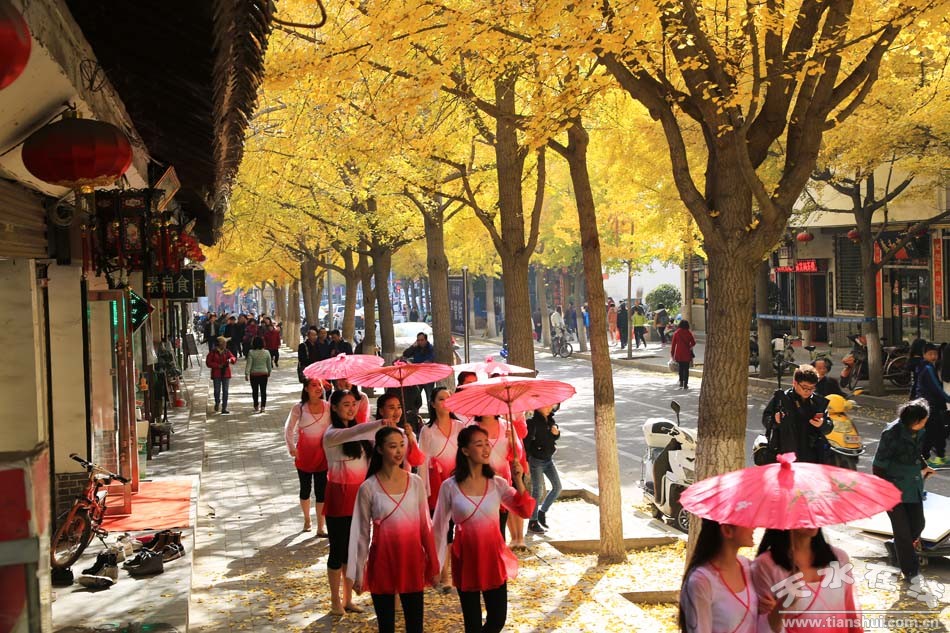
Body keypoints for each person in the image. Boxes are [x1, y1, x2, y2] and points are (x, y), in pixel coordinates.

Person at [431, 426, 535, 633]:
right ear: (465, 450)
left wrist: (519, 480)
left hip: (493, 557)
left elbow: (525, 510)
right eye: (479, 444)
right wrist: (436, 564)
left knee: (497, 619)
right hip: (466, 557)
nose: (486, 448)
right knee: (472, 623)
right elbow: (439, 527)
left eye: (487, 443)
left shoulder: (497, 483)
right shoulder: (450, 486)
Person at [347, 426, 438, 633]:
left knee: (415, 625)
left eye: (401, 445)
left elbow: (425, 526)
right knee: (386, 626)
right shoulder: (368, 487)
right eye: (392, 446)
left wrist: (433, 563)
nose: (398, 451)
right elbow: (361, 534)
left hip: (412, 560)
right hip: (382, 561)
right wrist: (358, 572)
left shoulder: (415, 483)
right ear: (380, 449)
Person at [322, 391, 391, 616]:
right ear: (334, 407)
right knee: (338, 550)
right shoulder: (332, 435)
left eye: (354, 404)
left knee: (353, 550)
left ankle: (347, 599)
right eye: (346, 404)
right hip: (339, 497)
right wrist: (379, 423)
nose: (351, 408)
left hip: (360, 497)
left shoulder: (362, 435)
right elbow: (354, 432)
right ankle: (335, 601)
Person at [752, 528, 861, 632]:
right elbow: (765, 626)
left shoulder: (839, 557)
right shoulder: (765, 566)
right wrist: (781, 605)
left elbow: (850, 610)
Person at [873, 399, 934, 584]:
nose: (925, 423)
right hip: (892, 488)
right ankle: (910, 572)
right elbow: (878, 465)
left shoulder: (919, 431)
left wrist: (924, 466)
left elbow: (915, 452)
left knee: (918, 524)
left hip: (913, 486)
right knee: (903, 532)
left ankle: (896, 546)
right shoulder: (891, 433)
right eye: (923, 420)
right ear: (914, 421)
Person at [679, 518, 775, 633]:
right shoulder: (701, 581)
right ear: (727, 530)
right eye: (746, 520)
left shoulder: (747, 566)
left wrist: (768, 611)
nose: (754, 526)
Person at [418, 386, 465, 590]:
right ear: (433, 404)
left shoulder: (460, 427)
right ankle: (441, 573)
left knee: (454, 527)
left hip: (457, 482)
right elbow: (421, 461)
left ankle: (451, 572)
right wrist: (422, 490)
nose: (446, 402)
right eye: (441, 399)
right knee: (440, 529)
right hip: (435, 484)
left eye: (448, 398)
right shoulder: (427, 430)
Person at [285, 378, 332, 535]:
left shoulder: (328, 407)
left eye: (320, 385)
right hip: (303, 456)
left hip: (323, 456)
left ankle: (321, 526)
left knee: (321, 492)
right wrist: (292, 447)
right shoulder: (299, 408)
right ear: (306, 388)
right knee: (305, 489)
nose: (318, 388)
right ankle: (307, 519)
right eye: (313, 385)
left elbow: (335, 429)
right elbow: (289, 429)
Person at [760, 365, 832, 464]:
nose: (808, 391)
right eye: (804, 387)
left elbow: (829, 427)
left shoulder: (818, 402)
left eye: (812, 388)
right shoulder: (782, 399)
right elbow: (766, 419)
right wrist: (775, 420)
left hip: (811, 456)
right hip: (786, 453)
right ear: (795, 383)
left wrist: (822, 424)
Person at [525, 406, 561, 534]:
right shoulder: (532, 423)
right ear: (538, 407)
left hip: (548, 459)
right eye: (546, 405)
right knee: (537, 491)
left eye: (550, 405)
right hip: (536, 461)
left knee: (557, 487)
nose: (549, 407)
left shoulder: (550, 421)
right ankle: (532, 521)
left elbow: (553, 438)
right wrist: (526, 460)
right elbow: (526, 443)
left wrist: (556, 434)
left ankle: (542, 512)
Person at [915, 343, 950, 466]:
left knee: (939, 430)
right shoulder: (927, 368)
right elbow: (936, 387)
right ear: (924, 355)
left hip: (930, 403)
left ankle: (941, 456)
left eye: (935, 354)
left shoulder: (927, 366)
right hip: (929, 405)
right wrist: (948, 398)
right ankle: (924, 458)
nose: (933, 356)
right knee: (931, 432)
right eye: (930, 354)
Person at [206, 336, 236, 414]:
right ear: (220, 344)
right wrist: (217, 365)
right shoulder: (213, 352)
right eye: (224, 343)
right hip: (217, 373)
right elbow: (208, 362)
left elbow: (233, 358)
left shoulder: (227, 351)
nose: (225, 345)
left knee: (225, 391)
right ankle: (217, 402)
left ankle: (224, 407)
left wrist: (231, 359)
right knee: (217, 390)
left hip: (226, 373)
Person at [245, 336, 273, 413]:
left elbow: (249, 364)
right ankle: (263, 407)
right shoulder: (267, 352)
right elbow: (269, 364)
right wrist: (269, 372)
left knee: (255, 391)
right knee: (263, 391)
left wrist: (246, 373)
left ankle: (256, 405)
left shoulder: (251, 352)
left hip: (254, 374)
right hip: (264, 374)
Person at [670, 320, 696, 390]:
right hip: (687, 353)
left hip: (679, 353)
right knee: (686, 369)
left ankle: (681, 382)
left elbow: (673, 345)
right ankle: (686, 384)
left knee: (681, 368)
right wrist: (690, 346)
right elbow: (693, 343)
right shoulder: (689, 333)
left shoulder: (676, 333)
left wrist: (672, 354)